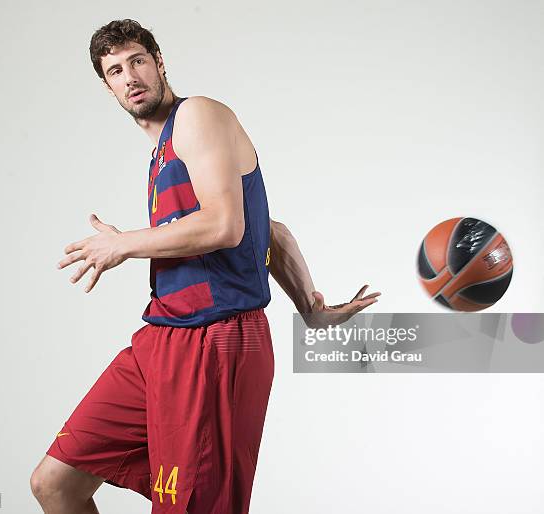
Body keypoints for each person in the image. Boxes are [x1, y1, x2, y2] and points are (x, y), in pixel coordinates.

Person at [30, 19, 380, 514]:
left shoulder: (198, 116)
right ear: (106, 85)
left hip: (219, 339)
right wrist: (310, 308)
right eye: (114, 70)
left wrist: (125, 244)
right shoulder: (160, 153)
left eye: (137, 61)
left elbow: (227, 227)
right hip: (162, 337)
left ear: (158, 61)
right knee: (55, 483)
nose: (129, 76)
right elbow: (271, 230)